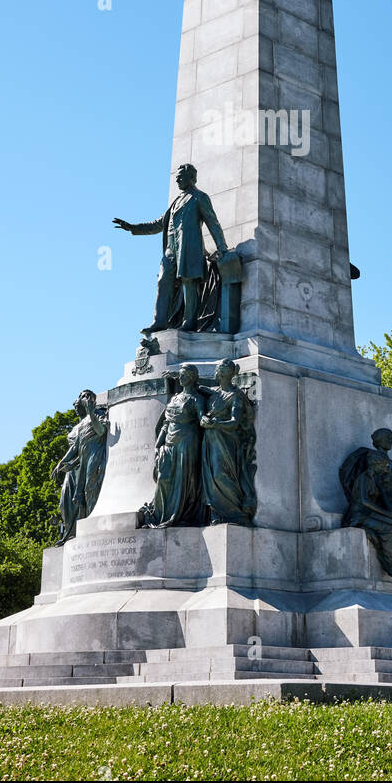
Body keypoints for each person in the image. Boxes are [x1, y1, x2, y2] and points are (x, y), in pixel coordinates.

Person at [114, 163, 229, 333]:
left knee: (188, 282)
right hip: (171, 250)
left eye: (181, 176)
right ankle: (159, 322)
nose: (177, 179)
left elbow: (213, 222)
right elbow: (158, 224)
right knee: (163, 281)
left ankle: (189, 321)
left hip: (188, 247)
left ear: (192, 178)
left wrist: (222, 247)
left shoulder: (199, 197)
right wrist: (133, 228)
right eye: (176, 177)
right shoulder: (175, 202)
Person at [138, 365, 205, 528]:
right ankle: (162, 514)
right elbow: (166, 423)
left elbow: (202, 419)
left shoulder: (197, 398)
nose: (181, 378)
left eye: (184, 375)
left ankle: (181, 513)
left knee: (184, 478)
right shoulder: (174, 398)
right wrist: (158, 443)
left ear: (192, 377)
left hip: (188, 441)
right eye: (180, 375)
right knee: (164, 477)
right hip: (169, 441)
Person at [199, 358, 256, 525]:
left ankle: (234, 512)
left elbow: (234, 422)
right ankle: (217, 513)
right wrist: (203, 419)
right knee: (210, 478)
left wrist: (216, 423)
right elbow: (197, 387)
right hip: (210, 439)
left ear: (224, 373)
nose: (215, 372)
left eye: (218, 369)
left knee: (221, 474)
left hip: (226, 440)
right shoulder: (214, 392)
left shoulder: (235, 396)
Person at [52, 389, 108, 546]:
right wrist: (61, 463)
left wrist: (91, 412)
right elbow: (76, 446)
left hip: (93, 459)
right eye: (80, 399)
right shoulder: (81, 424)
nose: (80, 402)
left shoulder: (97, 414)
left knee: (90, 491)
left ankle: (90, 526)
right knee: (66, 502)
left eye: (85, 398)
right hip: (80, 464)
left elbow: (101, 431)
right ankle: (74, 531)